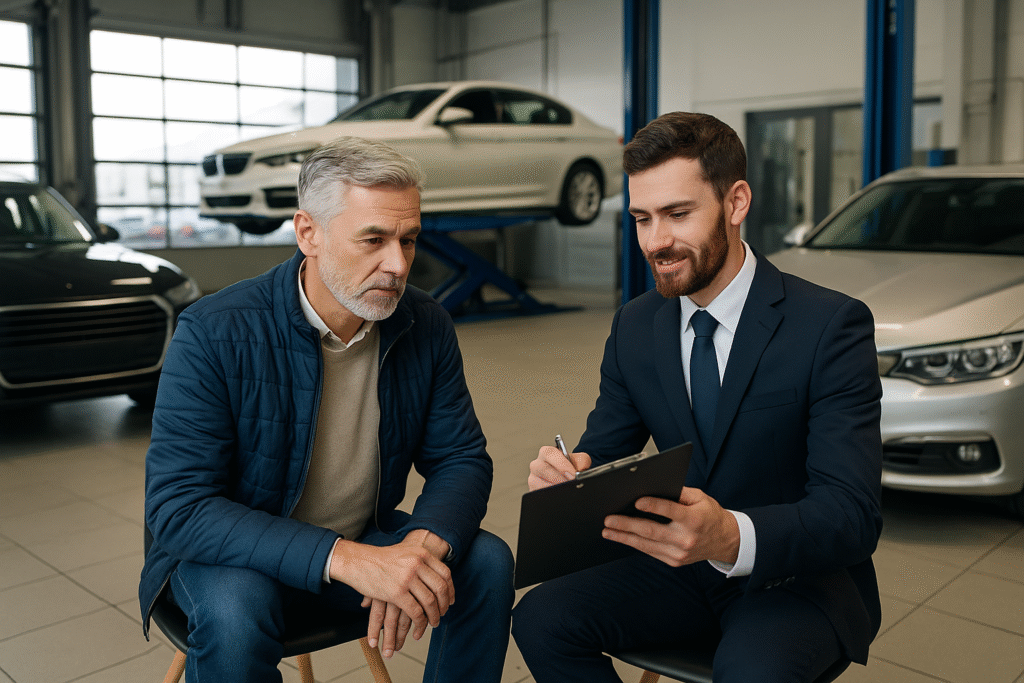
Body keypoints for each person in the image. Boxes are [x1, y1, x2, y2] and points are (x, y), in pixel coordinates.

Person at [512, 112, 883, 683]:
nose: (656, 241)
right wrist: (573, 471)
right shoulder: (637, 325)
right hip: (677, 567)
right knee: (541, 617)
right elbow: (606, 440)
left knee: (750, 671)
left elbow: (853, 516)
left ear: (736, 203)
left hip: (791, 578)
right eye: (642, 218)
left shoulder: (829, 326)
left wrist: (731, 534)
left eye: (678, 214)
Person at [139, 136, 514, 683]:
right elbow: (179, 508)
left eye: (408, 240)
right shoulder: (214, 331)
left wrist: (417, 549)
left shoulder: (424, 322)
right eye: (373, 239)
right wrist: (353, 561)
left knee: (486, 561)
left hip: (362, 540)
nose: (397, 264)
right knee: (236, 615)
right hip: (234, 560)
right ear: (307, 233)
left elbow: (461, 459)